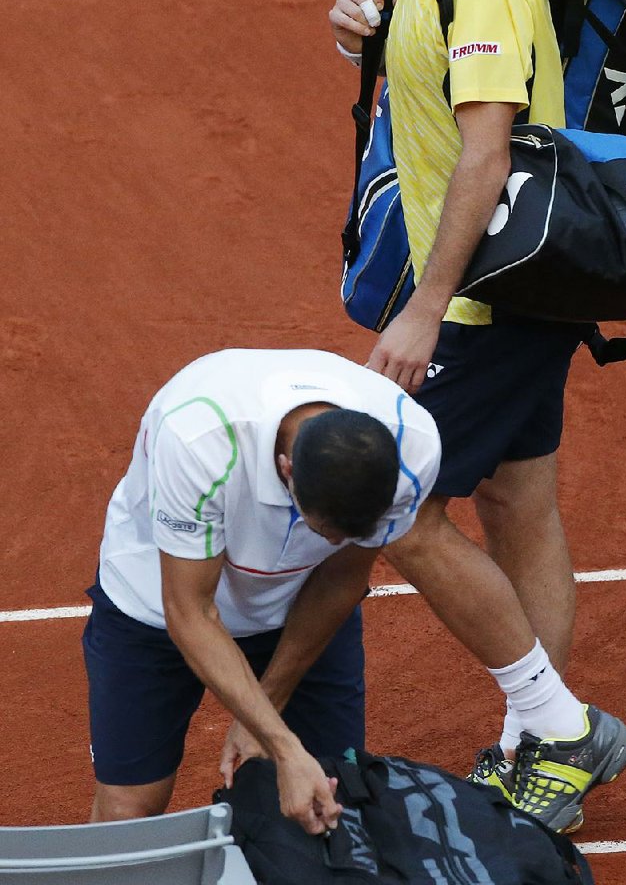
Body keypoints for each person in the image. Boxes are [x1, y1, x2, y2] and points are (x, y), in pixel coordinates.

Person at [329, 0, 626, 834]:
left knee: (391, 508)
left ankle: (554, 727)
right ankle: (539, 743)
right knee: (515, 501)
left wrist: (427, 305)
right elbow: (433, 92)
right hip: (501, 289)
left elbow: (483, 152)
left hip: (482, 300)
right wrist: (368, 24)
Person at [82, 347, 441, 833]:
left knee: (329, 799)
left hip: (299, 612)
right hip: (156, 606)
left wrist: (265, 713)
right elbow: (191, 611)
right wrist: (284, 746)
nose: (336, 544)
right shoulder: (201, 440)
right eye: (326, 531)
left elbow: (341, 577)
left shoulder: (410, 447)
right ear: (286, 469)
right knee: (129, 811)